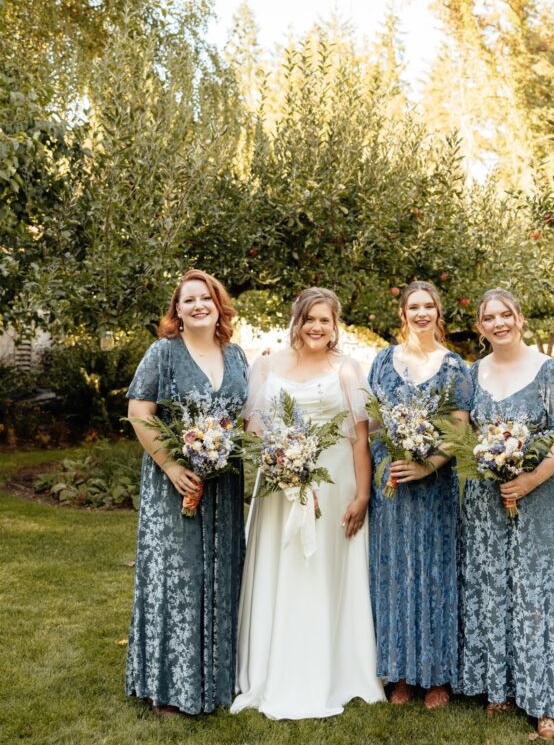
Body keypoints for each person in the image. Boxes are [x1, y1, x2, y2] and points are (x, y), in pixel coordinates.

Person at [230, 287, 385, 720]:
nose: (317, 327)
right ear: (296, 321)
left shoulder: (347, 370)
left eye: (326, 320)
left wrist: (363, 494)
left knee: (325, 572)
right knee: (283, 570)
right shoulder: (266, 365)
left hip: (334, 487)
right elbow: (254, 431)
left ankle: (334, 669)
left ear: (335, 326)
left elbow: (359, 439)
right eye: (310, 319)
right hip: (280, 489)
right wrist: (280, 465)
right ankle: (271, 669)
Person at [460, 289, 554, 740]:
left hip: (538, 499)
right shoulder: (473, 374)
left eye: (505, 314)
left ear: (519, 317)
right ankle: (503, 686)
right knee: (493, 586)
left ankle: (548, 702)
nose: (498, 323)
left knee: (537, 592)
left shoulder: (550, 371)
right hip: (484, 501)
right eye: (489, 317)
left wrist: (531, 479)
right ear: (480, 327)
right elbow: (464, 432)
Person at [125, 269, 248, 715]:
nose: (198, 305)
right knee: (178, 579)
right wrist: (172, 466)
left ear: (219, 306)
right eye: (188, 300)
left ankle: (218, 682)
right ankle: (171, 687)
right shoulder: (163, 353)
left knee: (221, 575)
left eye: (206, 299)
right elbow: (140, 412)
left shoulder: (236, 356)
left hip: (224, 487)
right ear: (176, 310)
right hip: (174, 483)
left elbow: (246, 418)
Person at [368, 280, 473, 708]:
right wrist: (390, 459)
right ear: (403, 314)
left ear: (438, 312)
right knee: (394, 576)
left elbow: (461, 427)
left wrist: (427, 463)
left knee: (433, 575)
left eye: (429, 306)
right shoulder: (383, 362)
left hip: (434, 490)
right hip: (391, 486)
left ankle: (436, 678)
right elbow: (372, 423)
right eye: (414, 306)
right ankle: (400, 675)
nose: (422, 313)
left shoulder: (454, 367)